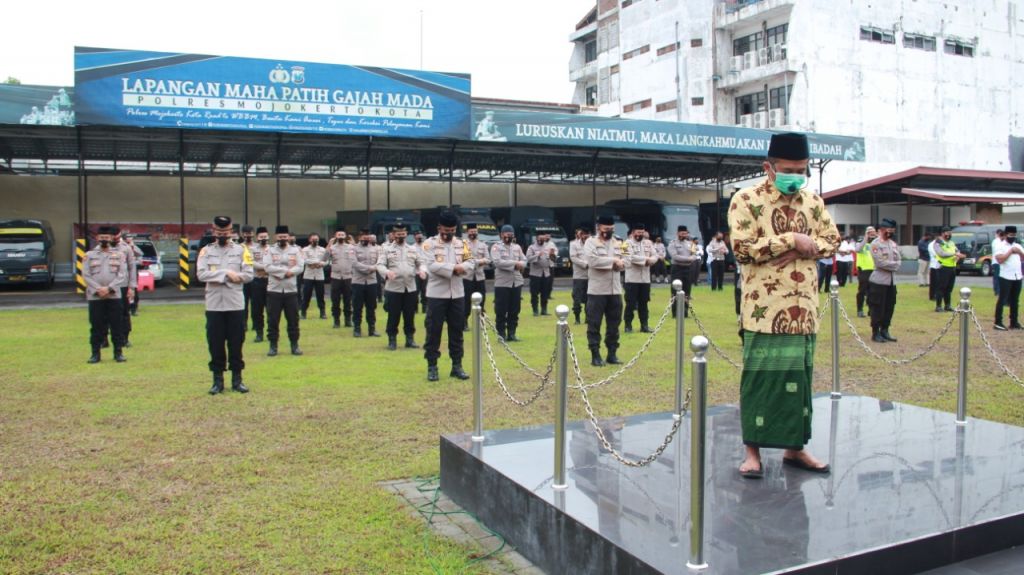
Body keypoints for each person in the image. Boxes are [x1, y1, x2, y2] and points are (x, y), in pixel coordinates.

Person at [728, 132, 840, 478]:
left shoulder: (813, 202)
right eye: (789, 170)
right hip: (765, 311)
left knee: (798, 383)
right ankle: (752, 453)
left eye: (801, 170)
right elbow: (743, 249)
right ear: (769, 167)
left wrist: (805, 247)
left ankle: (795, 448)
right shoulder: (746, 200)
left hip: (804, 311)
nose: (796, 176)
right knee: (761, 381)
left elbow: (832, 240)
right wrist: (793, 240)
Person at [197, 216, 254, 394]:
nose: (222, 234)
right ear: (214, 231)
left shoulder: (241, 250)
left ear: (231, 232)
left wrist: (237, 276)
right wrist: (226, 273)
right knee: (215, 343)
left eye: (225, 232)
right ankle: (217, 381)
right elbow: (201, 274)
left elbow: (249, 274)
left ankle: (237, 380)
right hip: (214, 305)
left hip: (235, 304)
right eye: (219, 232)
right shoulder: (206, 251)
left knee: (236, 343)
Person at [422, 210, 475, 381]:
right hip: (437, 295)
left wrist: (463, 268)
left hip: (457, 294)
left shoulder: (462, 243)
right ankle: (432, 366)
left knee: (457, 331)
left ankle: (457, 366)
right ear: (439, 228)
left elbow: (471, 262)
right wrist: (454, 268)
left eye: (452, 230)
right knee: (433, 331)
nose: (449, 234)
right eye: (446, 230)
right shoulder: (429, 244)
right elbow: (431, 265)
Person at [585, 215, 626, 367]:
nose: (609, 231)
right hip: (597, 291)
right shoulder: (590, 242)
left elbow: (627, 259)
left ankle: (612, 354)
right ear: (598, 228)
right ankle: (595, 354)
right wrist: (614, 261)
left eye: (611, 229)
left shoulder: (619, 242)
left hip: (615, 290)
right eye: (606, 228)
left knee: (614, 324)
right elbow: (592, 261)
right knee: (594, 323)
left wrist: (621, 264)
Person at [377, 223, 426, 349]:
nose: (401, 236)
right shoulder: (386, 249)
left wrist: (422, 270)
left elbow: (421, 262)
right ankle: (392, 340)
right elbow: (380, 265)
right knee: (393, 315)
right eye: (398, 234)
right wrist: (387, 272)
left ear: (406, 234)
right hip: (393, 288)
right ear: (393, 235)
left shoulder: (412, 249)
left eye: (403, 234)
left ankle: (410, 339)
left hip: (410, 287)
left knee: (409, 315)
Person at [83, 226, 127, 363]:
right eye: (101, 237)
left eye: (106, 237)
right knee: (96, 326)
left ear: (112, 238)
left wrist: (109, 288)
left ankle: (118, 353)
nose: (104, 239)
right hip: (95, 296)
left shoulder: (119, 255)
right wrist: (98, 289)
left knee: (116, 325)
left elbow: (122, 274)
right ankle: (95, 354)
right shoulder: (89, 255)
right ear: (97, 238)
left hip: (114, 296)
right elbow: (86, 275)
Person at [263, 225, 304, 356]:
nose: (282, 239)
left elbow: (300, 266)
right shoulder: (269, 250)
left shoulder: (295, 250)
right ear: (276, 237)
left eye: (285, 236)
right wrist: (284, 272)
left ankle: (294, 345)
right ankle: (273, 346)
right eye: (280, 237)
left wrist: (290, 273)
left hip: (290, 291)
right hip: (274, 290)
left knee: (293, 320)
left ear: (288, 237)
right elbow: (267, 266)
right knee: (272, 320)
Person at [491, 224, 527, 341]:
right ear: (501, 235)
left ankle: (512, 333)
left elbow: (524, 260)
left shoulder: (517, 247)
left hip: (516, 282)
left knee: (515, 310)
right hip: (502, 283)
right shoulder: (496, 247)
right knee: (501, 310)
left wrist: (521, 264)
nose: (509, 237)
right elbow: (497, 262)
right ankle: (501, 334)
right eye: (507, 234)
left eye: (511, 235)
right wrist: (515, 264)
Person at [868, 219, 901, 343]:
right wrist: (894, 265)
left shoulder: (893, 244)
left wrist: (893, 265)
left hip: (891, 281)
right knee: (877, 307)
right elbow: (879, 262)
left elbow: (899, 260)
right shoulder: (875, 244)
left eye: (893, 230)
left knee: (889, 307)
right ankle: (875, 332)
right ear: (882, 230)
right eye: (889, 230)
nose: (891, 232)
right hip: (879, 281)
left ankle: (885, 330)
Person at [623, 223, 657, 333]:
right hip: (632, 279)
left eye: (642, 232)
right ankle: (628, 325)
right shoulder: (626, 244)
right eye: (638, 232)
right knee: (630, 304)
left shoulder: (648, 243)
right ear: (633, 232)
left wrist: (651, 260)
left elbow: (655, 255)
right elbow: (629, 257)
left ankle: (644, 325)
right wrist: (646, 260)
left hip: (645, 279)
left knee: (644, 303)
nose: (640, 234)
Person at [351, 228, 382, 338]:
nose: (366, 239)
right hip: (358, 282)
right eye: (364, 237)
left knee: (371, 307)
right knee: (357, 307)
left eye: (367, 237)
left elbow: (380, 262)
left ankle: (372, 329)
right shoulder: (353, 249)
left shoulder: (376, 249)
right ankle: (357, 329)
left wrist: (375, 267)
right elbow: (354, 263)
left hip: (371, 282)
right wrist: (370, 268)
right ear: (359, 238)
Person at [993, 225, 1023, 330]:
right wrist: (1010, 252)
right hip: (1005, 276)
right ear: (1005, 235)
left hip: (1017, 276)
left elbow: (1023, 258)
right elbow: (1000, 260)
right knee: (1002, 299)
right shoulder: (1000, 246)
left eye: (1014, 235)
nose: (1013, 237)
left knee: (1015, 300)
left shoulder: (1018, 246)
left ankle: (1014, 322)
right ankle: (998, 322)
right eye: (1011, 235)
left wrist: (1019, 252)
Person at [114, 228, 140, 347]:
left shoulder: (126, 248)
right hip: (108, 286)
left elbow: (132, 266)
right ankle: (105, 338)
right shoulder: (100, 249)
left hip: (123, 284)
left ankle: (125, 338)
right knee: (106, 314)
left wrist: (132, 286)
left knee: (124, 312)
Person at [462, 224, 490, 331]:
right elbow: (461, 259)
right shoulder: (463, 244)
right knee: (466, 301)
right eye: (471, 232)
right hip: (467, 277)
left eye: (475, 231)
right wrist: (471, 262)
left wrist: (478, 261)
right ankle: (464, 322)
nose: (473, 233)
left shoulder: (483, 245)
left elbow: (488, 259)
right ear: (467, 233)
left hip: (479, 277)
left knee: (481, 300)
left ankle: (481, 322)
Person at [667, 225, 698, 317]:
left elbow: (695, 255)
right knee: (675, 290)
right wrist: (688, 259)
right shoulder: (672, 244)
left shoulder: (691, 243)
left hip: (688, 269)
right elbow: (675, 256)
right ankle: (675, 313)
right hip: (677, 269)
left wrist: (691, 258)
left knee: (687, 290)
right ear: (678, 233)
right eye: (682, 233)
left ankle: (685, 312)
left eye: (685, 233)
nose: (684, 235)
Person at [327, 228, 354, 329]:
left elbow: (358, 257)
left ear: (345, 236)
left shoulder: (351, 247)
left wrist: (354, 244)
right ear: (335, 236)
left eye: (342, 235)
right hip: (336, 277)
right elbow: (324, 258)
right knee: (335, 300)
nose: (341, 236)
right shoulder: (332, 247)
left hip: (348, 276)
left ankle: (348, 320)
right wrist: (329, 245)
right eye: (339, 235)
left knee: (348, 299)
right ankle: (336, 321)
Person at [932, 227, 964, 312]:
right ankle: (938, 306)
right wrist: (954, 254)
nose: (949, 235)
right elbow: (941, 254)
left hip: (952, 267)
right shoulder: (938, 242)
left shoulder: (951, 243)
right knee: (941, 287)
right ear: (942, 233)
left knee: (949, 288)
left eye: (950, 233)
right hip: (943, 267)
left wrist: (958, 256)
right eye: (947, 233)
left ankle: (947, 305)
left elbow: (957, 250)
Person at [526, 232, 556, 316]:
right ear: (536, 238)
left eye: (543, 239)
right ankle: (535, 310)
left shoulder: (548, 247)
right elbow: (528, 259)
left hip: (546, 273)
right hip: (535, 274)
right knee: (534, 293)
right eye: (540, 239)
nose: (541, 240)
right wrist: (538, 255)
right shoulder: (531, 247)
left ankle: (544, 310)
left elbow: (553, 260)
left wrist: (552, 255)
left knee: (545, 293)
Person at [300, 233, 328, 320]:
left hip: (319, 276)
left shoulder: (323, 249)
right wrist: (316, 262)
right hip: (308, 276)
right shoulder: (305, 249)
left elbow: (327, 260)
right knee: (306, 295)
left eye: (316, 239)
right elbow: (304, 260)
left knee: (320, 295)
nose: (315, 241)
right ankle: (303, 313)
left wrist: (321, 264)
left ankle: (322, 313)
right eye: (313, 239)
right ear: (309, 240)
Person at [249, 227, 270, 342]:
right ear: (257, 238)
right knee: (257, 310)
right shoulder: (251, 250)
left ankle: (271, 333)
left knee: (271, 309)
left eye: (265, 237)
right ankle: (259, 333)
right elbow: (251, 262)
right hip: (257, 282)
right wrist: (267, 268)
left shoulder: (272, 249)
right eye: (261, 237)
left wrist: (266, 269)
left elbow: (276, 263)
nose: (263, 238)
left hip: (270, 282)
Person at [569, 223, 590, 324]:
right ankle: (577, 318)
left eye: (587, 234)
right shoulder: (573, 244)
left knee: (589, 299)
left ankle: (587, 318)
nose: (586, 236)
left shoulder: (593, 244)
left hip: (591, 276)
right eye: (584, 234)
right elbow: (573, 258)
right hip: (579, 276)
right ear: (581, 235)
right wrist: (585, 264)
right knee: (577, 298)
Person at [854, 227, 877, 318]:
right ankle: (860, 310)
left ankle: (871, 310)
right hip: (863, 269)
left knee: (873, 291)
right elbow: (858, 249)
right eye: (870, 232)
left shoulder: (876, 242)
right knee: (862, 291)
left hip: (874, 269)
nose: (872, 234)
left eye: (873, 232)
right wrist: (866, 238)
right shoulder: (861, 241)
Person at [239, 225, 256, 330]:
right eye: (246, 233)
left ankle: (255, 324)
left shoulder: (257, 247)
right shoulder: (239, 247)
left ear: (253, 234)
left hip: (256, 278)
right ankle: (244, 324)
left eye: (250, 233)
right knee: (243, 303)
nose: (248, 235)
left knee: (256, 304)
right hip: (244, 279)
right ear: (242, 234)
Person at [413, 230, 428, 313]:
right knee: (415, 292)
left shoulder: (426, 246)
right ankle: (415, 309)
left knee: (425, 291)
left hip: (426, 272)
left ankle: (424, 309)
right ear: (415, 237)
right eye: (418, 237)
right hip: (416, 273)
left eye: (421, 237)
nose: (420, 238)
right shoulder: (412, 248)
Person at [992, 229, 1005, 297]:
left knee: (996, 277)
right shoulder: (997, 241)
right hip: (997, 261)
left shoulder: (996, 241)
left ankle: (997, 290)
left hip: (996, 261)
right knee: (997, 277)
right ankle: (997, 291)